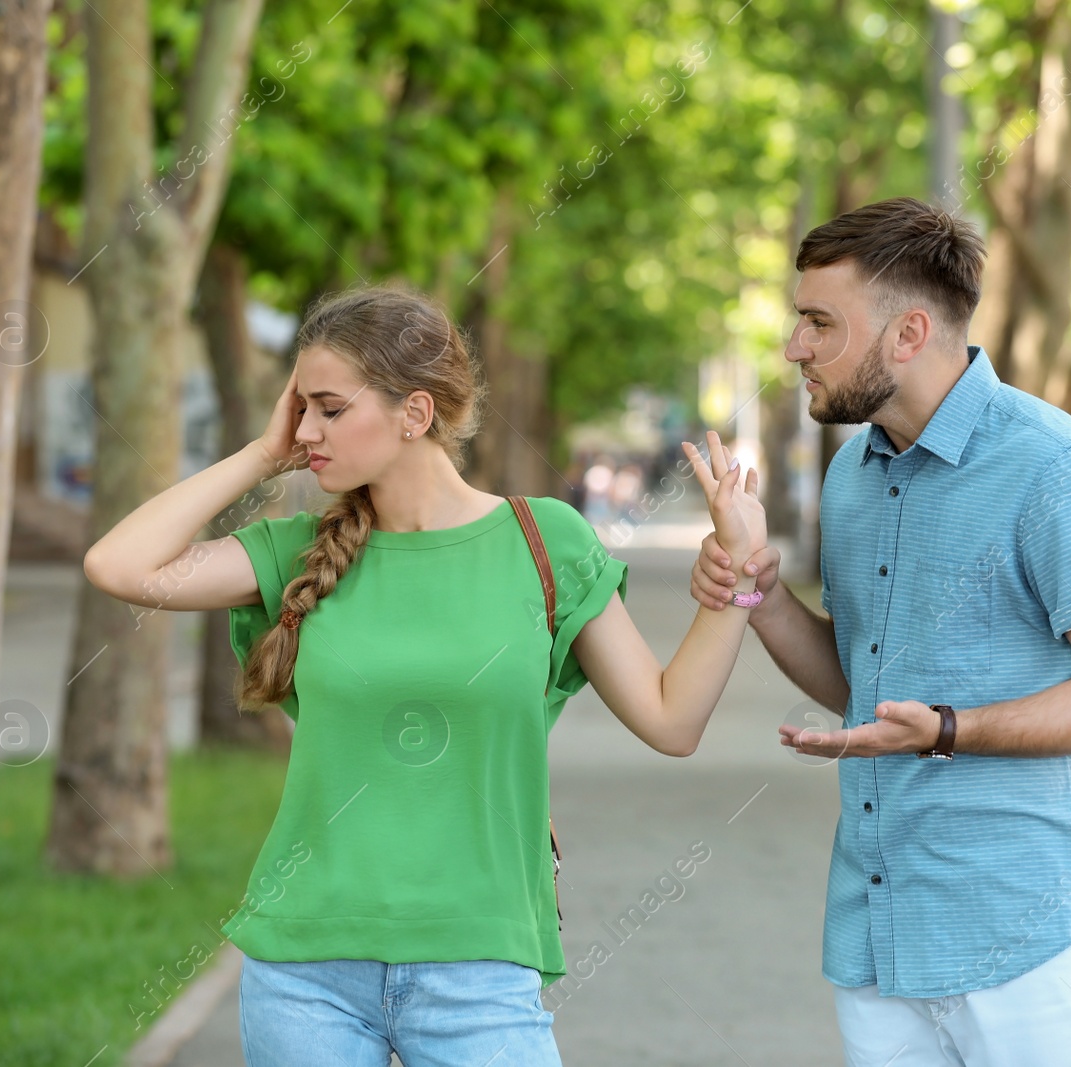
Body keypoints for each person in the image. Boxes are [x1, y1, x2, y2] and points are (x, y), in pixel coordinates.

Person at [81, 285, 766, 1067]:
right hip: (306, 969)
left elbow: (672, 719)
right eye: (299, 408)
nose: (306, 429)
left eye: (329, 409)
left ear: (414, 413)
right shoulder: (295, 550)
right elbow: (119, 565)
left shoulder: (546, 541)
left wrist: (740, 573)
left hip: (480, 967)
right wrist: (261, 455)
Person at [690, 197, 1071, 1066]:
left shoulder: (1053, 469)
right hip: (883, 944)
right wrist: (756, 585)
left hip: (1042, 947)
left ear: (909, 333)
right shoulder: (853, 477)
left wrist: (953, 729)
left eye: (818, 323)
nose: (794, 347)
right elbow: (866, 685)